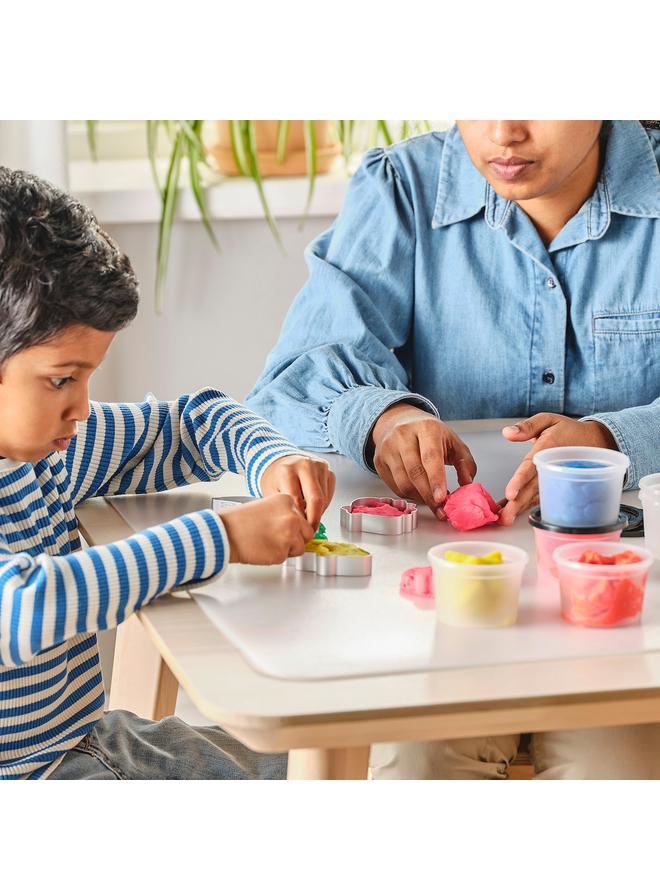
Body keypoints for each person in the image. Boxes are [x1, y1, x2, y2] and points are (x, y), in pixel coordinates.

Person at [247, 120, 660, 778]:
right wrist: (382, 416)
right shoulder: (402, 189)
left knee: (615, 768)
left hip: (633, 621)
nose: (504, 132)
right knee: (418, 764)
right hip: (439, 614)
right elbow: (291, 383)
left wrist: (615, 439)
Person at [0, 166, 335, 780]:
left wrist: (271, 459)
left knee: (315, 761)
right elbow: (26, 607)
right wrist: (221, 538)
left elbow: (189, 423)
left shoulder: (46, 449)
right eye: (62, 379)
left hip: (82, 741)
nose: (82, 407)